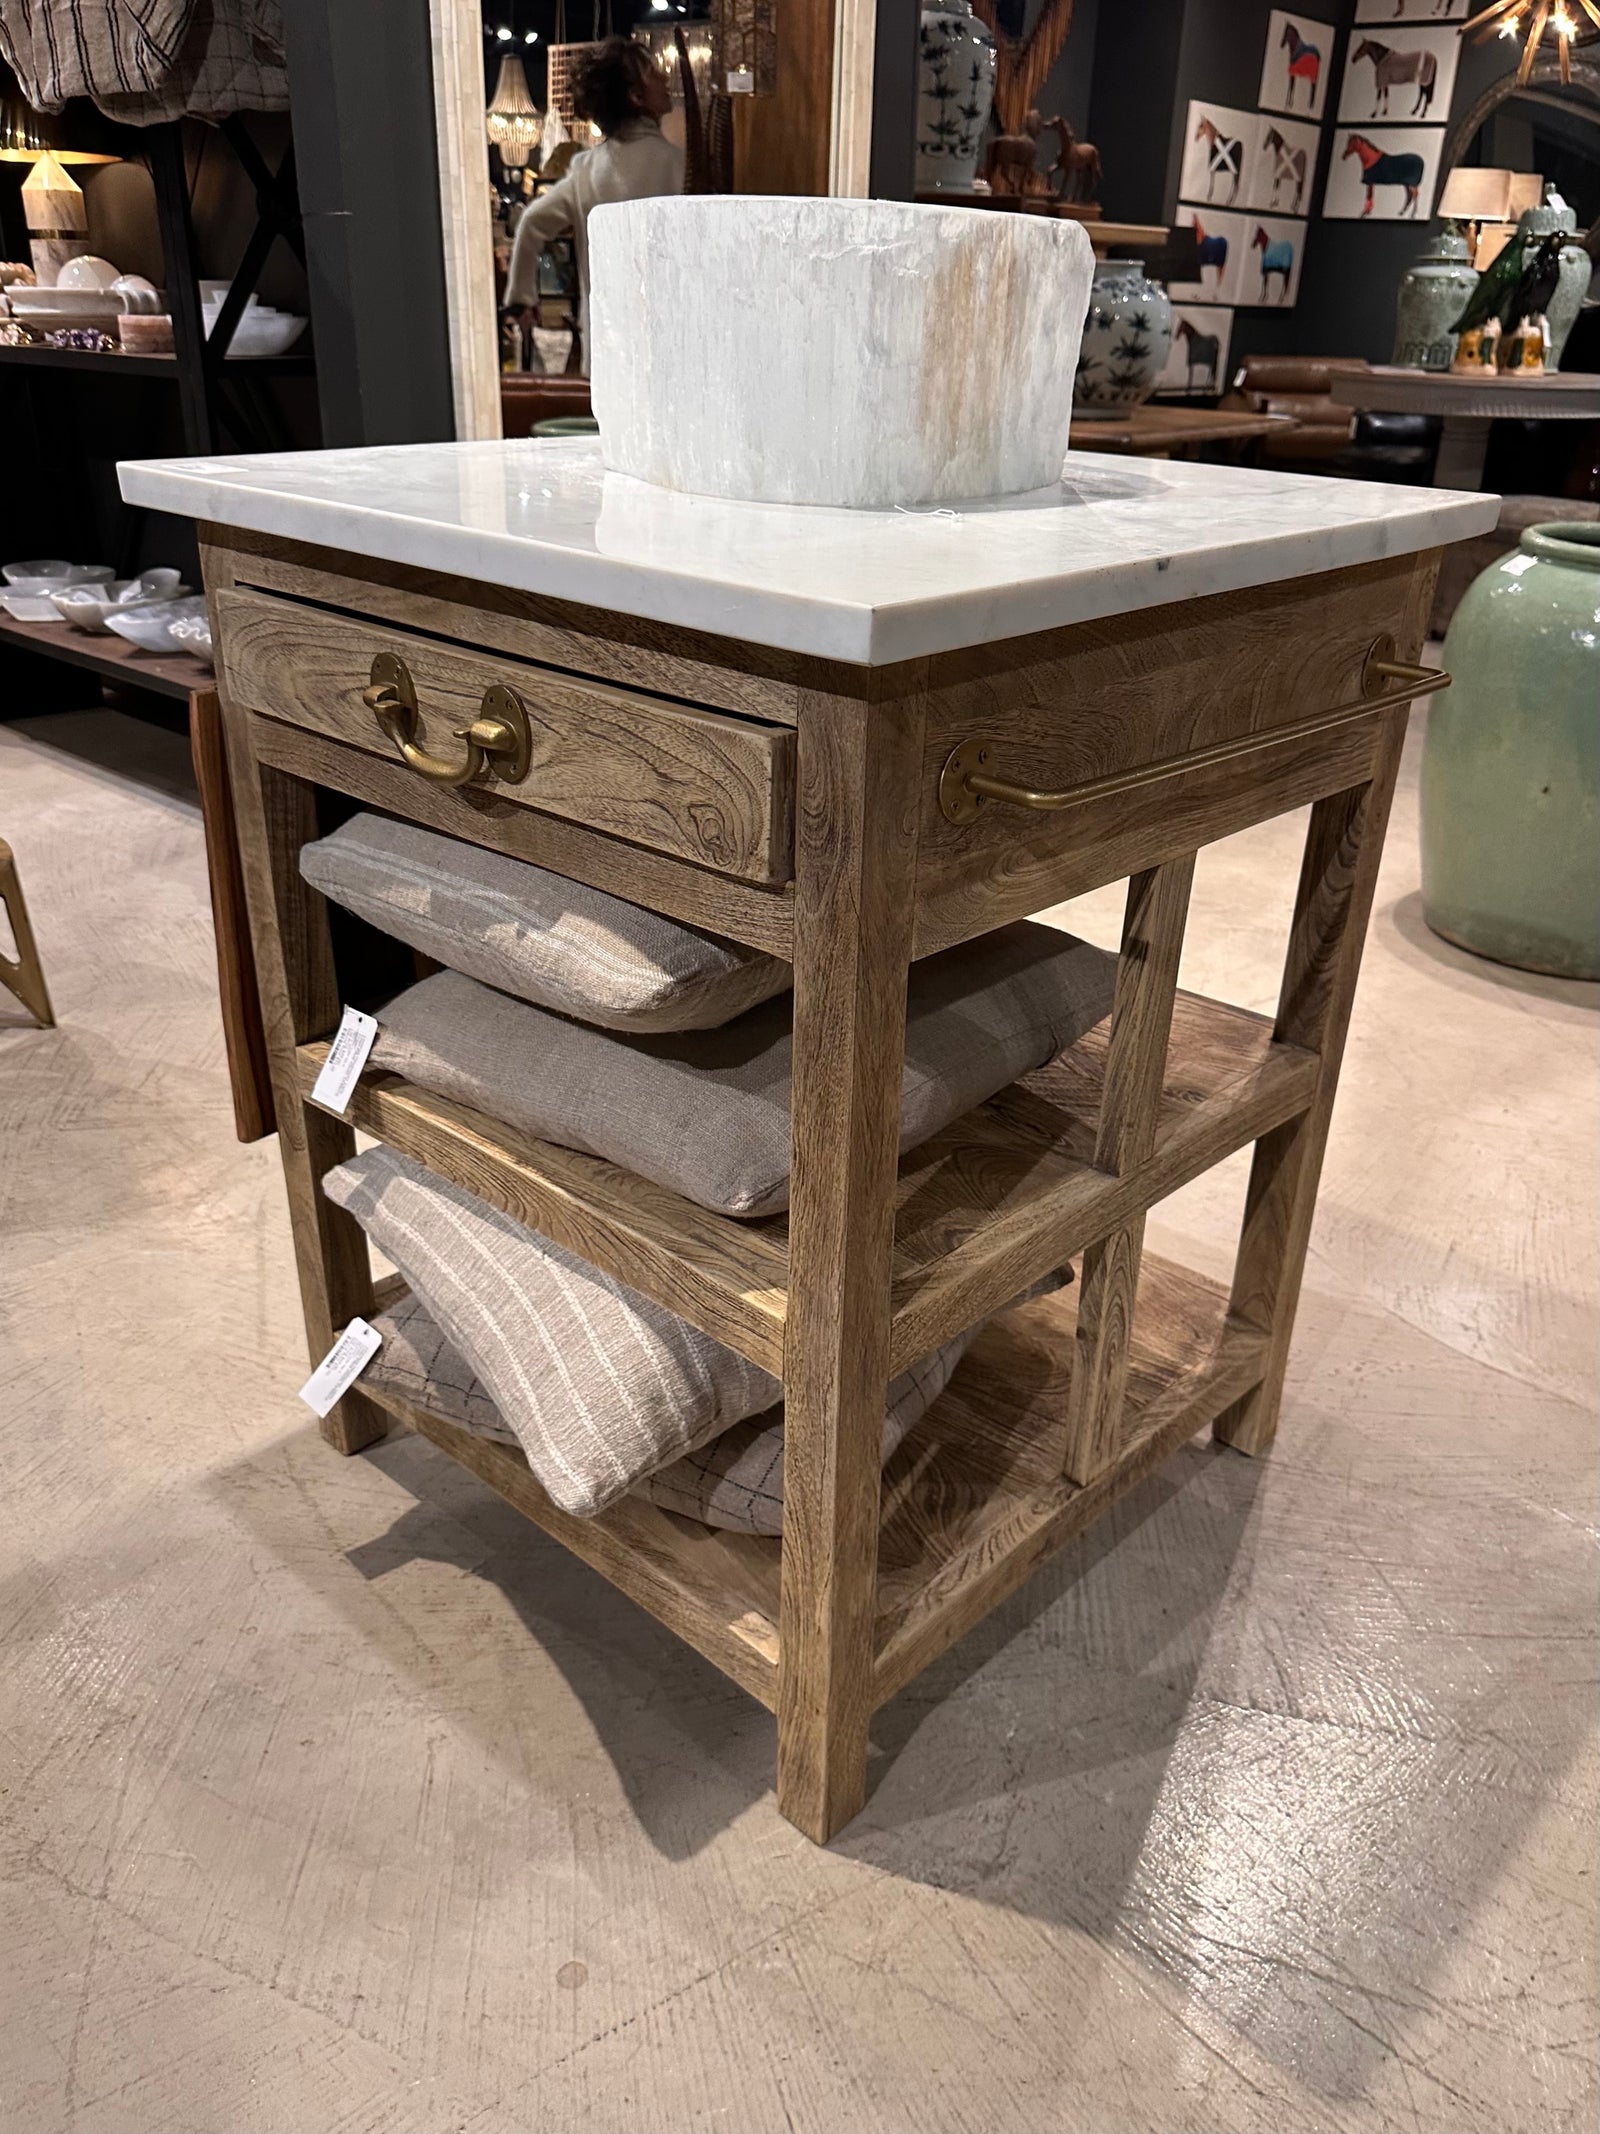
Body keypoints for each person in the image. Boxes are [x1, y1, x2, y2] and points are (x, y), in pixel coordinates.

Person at [505, 39, 683, 370]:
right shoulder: (680, 165)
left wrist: (522, 297)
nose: (663, 75)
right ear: (636, 96)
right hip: (672, 345)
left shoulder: (586, 169)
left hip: (604, 349)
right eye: (650, 71)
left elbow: (530, 223)